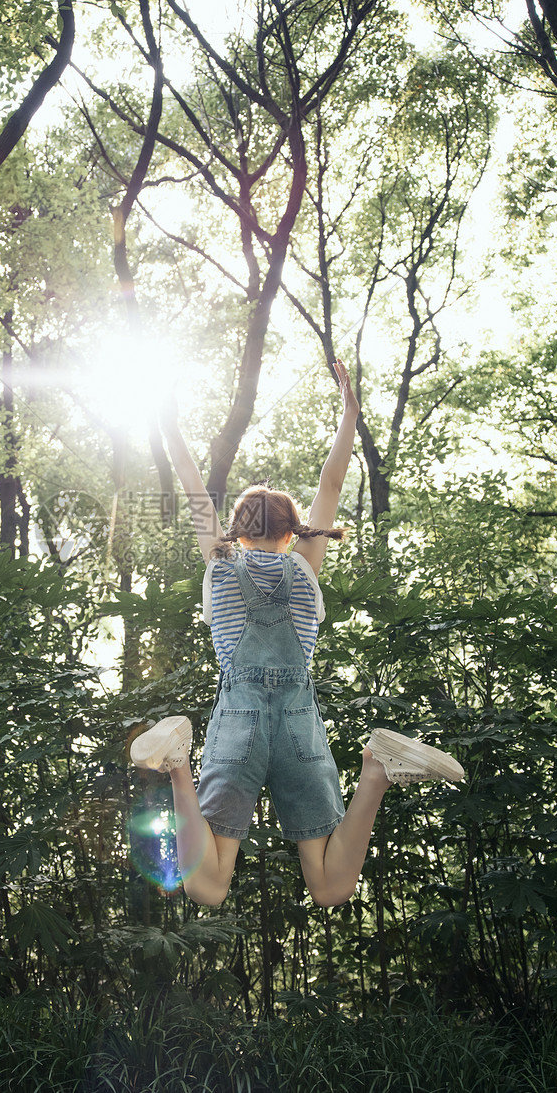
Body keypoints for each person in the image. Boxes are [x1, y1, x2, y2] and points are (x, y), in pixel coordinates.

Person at [129, 360, 464, 908]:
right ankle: (376, 770)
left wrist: (167, 418)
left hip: (237, 722)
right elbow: (333, 481)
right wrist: (349, 414)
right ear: (293, 531)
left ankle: (178, 764)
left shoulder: (220, 561)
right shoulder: (306, 564)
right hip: (298, 724)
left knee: (207, 888)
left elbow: (192, 484)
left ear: (236, 529)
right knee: (331, 888)